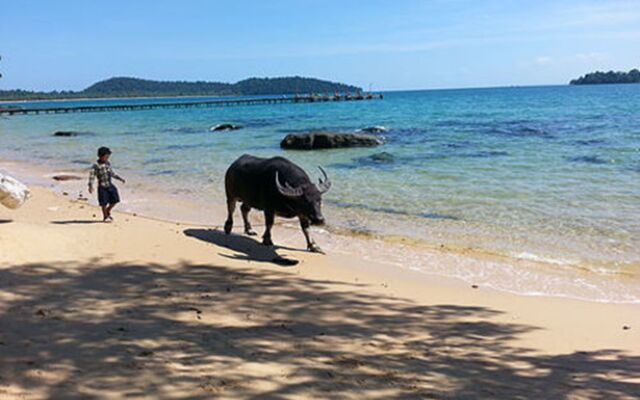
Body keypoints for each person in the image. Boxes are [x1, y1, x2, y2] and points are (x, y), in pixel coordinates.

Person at [88, 147, 125, 222]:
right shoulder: (96, 165)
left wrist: (120, 178)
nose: (107, 158)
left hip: (110, 184)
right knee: (103, 202)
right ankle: (105, 216)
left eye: (108, 157)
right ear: (101, 156)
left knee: (115, 199)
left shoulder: (108, 163)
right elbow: (92, 176)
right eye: (106, 157)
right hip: (102, 186)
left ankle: (108, 210)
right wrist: (90, 186)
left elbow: (112, 173)